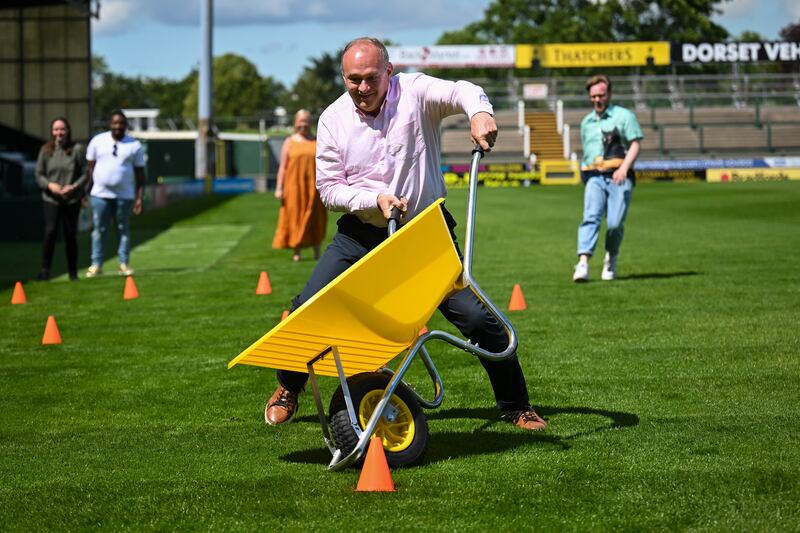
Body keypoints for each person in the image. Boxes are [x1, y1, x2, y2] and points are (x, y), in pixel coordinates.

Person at [264, 37, 547, 431]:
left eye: (370, 78)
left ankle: (517, 406)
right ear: (343, 77)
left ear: (389, 72)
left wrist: (479, 112)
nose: (362, 89)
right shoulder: (332, 119)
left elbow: (463, 90)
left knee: (476, 318)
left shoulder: (416, 92)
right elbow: (329, 189)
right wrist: (372, 200)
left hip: (424, 233)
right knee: (309, 307)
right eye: (353, 80)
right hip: (360, 234)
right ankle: (287, 388)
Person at [572, 75, 643, 282]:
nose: (597, 99)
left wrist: (624, 168)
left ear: (609, 94)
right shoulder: (586, 122)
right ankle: (583, 263)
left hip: (620, 176)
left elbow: (635, 143)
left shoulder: (624, 116)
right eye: (593, 96)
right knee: (590, 217)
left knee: (614, 223)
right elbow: (587, 151)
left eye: (601, 95)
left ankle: (611, 256)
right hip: (594, 176)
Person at [85, 110, 146, 278]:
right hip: (99, 194)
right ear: (109, 124)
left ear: (126, 126)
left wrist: (139, 198)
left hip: (124, 196)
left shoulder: (134, 145)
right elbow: (89, 170)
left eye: (121, 123)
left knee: (123, 229)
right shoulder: (97, 141)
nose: (118, 126)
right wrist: (85, 193)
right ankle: (96, 264)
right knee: (99, 229)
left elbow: (140, 175)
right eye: (115, 123)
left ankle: (124, 263)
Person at [35, 117, 88, 281]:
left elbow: (86, 173)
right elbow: (38, 174)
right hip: (51, 199)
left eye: (62, 129)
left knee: (70, 234)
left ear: (68, 131)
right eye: (56, 129)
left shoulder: (77, 149)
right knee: (50, 232)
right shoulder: (45, 150)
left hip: (71, 199)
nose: (59, 133)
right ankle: (45, 271)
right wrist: (50, 185)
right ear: (52, 132)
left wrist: (74, 187)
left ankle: (73, 272)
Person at [272, 109, 327, 262]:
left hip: (314, 188)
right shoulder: (289, 142)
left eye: (306, 122)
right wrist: (279, 187)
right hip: (294, 187)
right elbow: (283, 167)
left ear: (310, 123)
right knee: (295, 217)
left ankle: (317, 250)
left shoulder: (317, 141)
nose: (303, 125)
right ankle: (296, 251)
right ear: (295, 123)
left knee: (315, 218)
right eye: (300, 122)